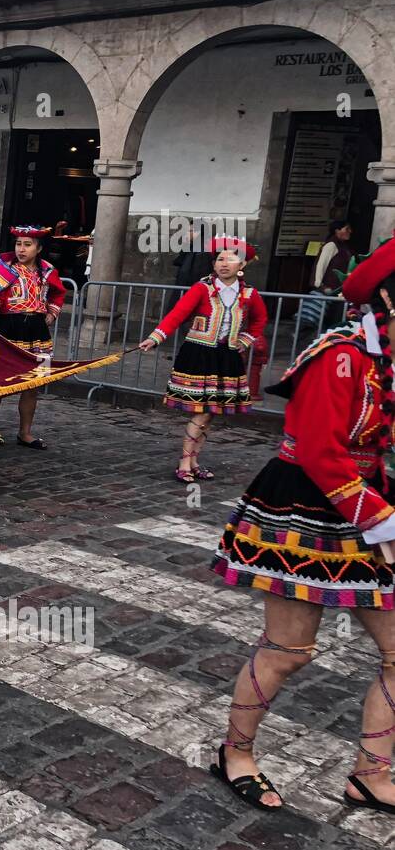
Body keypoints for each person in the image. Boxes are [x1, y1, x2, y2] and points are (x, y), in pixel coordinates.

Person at [208, 240, 395, 814]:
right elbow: (320, 454)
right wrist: (386, 525)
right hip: (303, 511)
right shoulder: (339, 357)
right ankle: (235, 754)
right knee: (289, 650)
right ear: (387, 295)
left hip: (368, 506)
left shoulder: (387, 355)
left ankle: (373, 773)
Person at [139, 235, 267, 482]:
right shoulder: (202, 289)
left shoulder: (249, 294)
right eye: (220, 259)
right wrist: (155, 338)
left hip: (227, 357)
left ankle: (194, 460)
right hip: (199, 354)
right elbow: (177, 315)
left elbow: (260, 320)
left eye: (231, 259)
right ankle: (185, 462)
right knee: (201, 411)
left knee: (211, 412)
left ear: (242, 265)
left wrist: (245, 341)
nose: (224, 264)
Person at [0, 225, 66, 449]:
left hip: (37, 331)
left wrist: (52, 313)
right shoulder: (5, 269)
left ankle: (25, 432)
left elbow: (59, 294)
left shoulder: (47, 272)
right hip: (7, 327)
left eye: (27, 244)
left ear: (38, 248)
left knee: (33, 384)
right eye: (18, 244)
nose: (21, 249)